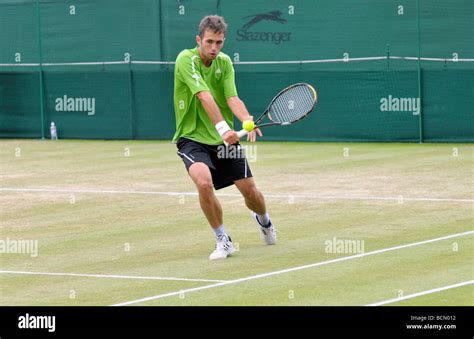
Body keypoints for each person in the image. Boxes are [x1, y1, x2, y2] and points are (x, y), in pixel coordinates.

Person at [172, 15, 277, 260]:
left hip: (225, 142)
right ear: (198, 40)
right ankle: (223, 239)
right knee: (204, 182)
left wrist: (246, 120)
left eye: (219, 43)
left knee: (251, 194)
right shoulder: (186, 60)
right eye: (209, 42)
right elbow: (203, 96)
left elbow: (232, 98)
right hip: (192, 138)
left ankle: (264, 221)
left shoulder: (225, 63)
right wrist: (223, 129)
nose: (214, 48)